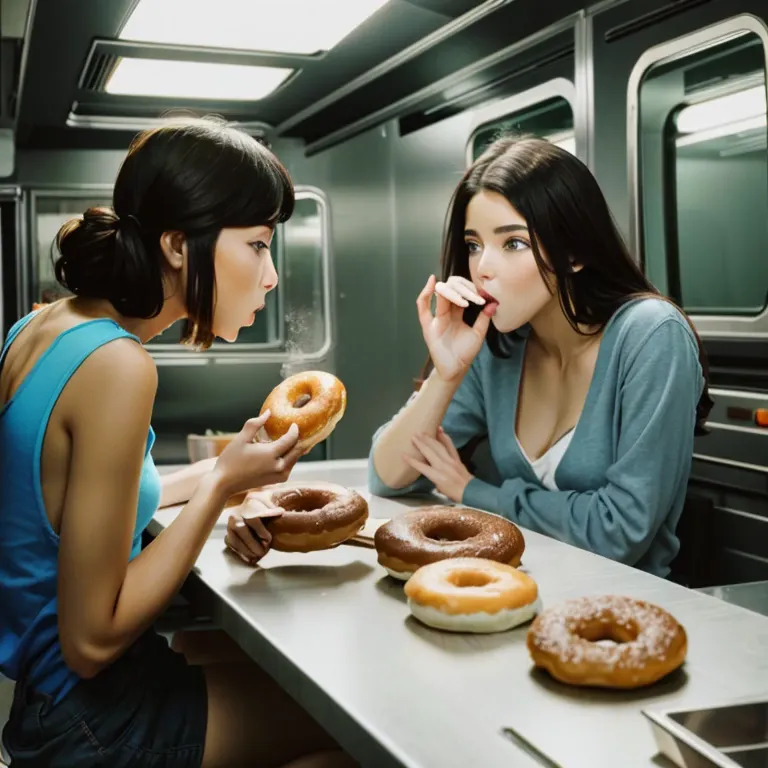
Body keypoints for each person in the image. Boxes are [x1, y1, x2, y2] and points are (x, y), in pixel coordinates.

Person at [0, 118, 356, 768]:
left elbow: (85, 508)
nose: (270, 275)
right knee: (348, 718)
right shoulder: (118, 365)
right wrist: (220, 486)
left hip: (46, 704)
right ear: (176, 245)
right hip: (92, 720)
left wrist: (229, 468)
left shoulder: (45, 324)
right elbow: (91, 638)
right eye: (256, 245)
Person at [368, 135, 712, 579]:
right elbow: (388, 475)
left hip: (623, 610)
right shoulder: (498, 347)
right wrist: (447, 373)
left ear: (574, 253)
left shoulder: (650, 335)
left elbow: (621, 530)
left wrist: (474, 492)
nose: (482, 268)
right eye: (474, 245)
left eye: (513, 244)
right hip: (517, 588)